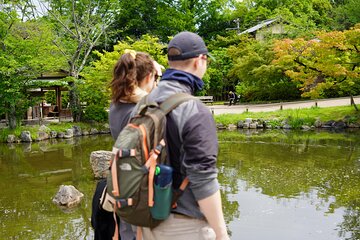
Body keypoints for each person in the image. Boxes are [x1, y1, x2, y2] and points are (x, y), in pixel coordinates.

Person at [135, 31, 229, 240]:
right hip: (184, 226)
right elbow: (203, 178)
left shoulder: (142, 105)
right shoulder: (194, 110)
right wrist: (222, 234)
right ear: (200, 61)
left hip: (145, 222)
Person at [91, 50, 162, 240]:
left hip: (121, 183)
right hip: (139, 190)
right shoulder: (140, 111)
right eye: (156, 78)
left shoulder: (116, 105)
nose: (157, 82)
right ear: (148, 77)